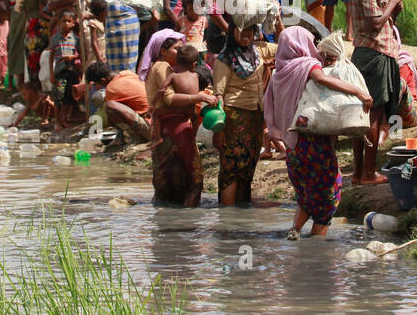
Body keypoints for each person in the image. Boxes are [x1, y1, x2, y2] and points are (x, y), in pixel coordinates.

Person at [264, 28, 372, 239]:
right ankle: (315, 245)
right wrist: (358, 91)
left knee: (305, 194)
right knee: (328, 193)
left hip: (292, 148)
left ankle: (294, 231)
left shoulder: (279, 71)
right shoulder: (307, 65)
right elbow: (322, 80)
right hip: (313, 142)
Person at [348, 0, 402, 185]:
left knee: (365, 116)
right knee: (374, 115)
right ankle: (368, 172)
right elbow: (376, 23)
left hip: (370, 52)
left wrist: (393, 5)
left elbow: (385, 18)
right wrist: (392, 1)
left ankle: (360, 172)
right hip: (374, 54)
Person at [213, 19, 277, 206]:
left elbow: (285, 46)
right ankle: (227, 216)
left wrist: (278, 19)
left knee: (248, 166)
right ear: (232, 32)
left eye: (250, 30)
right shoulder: (224, 59)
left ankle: (241, 218)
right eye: (241, 30)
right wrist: (218, 131)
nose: (246, 34)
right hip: (233, 118)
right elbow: (219, 95)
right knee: (231, 168)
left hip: (255, 117)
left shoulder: (258, 51)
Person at [152, 45, 216, 207]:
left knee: (165, 183)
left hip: (172, 124)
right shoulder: (195, 76)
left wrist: (153, 102)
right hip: (183, 125)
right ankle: (188, 217)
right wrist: (197, 97)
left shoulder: (171, 75)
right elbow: (172, 99)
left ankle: (158, 137)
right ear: (194, 64)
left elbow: (164, 94)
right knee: (195, 181)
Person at [85, 60, 152, 144]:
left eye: (95, 84)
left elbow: (111, 118)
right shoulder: (127, 73)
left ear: (102, 80)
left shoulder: (111, 89)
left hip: (150, 128)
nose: (95, 87)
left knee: (110, 107)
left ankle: (138, 137)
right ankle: (121, 138)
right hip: (157, 121)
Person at [49, 9, 83, 129]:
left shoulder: (76, 39)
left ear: (73, 23)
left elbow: (80, 55)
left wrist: (73, 57)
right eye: (64, 21)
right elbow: (51, 55)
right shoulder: (55, 39)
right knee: (59, 97)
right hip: (60, 72)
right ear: (59, 23)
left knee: (69, 97)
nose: (66, 24)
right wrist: (51, 73)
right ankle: (57, 121)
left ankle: (64, 119)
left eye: (69, 21)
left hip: (72, 72)